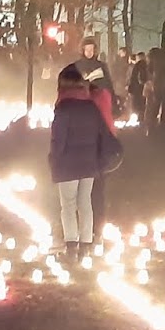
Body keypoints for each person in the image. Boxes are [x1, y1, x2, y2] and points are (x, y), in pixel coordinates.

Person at [49, 64, 112, 259]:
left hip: (68, 164)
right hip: (88, 162)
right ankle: (85, 244)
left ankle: (71, 245)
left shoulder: (63, 109)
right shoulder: (91, 107)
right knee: (85, 202)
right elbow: (100, 133)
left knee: (68, 205)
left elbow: (58, 140)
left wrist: (54, 160)